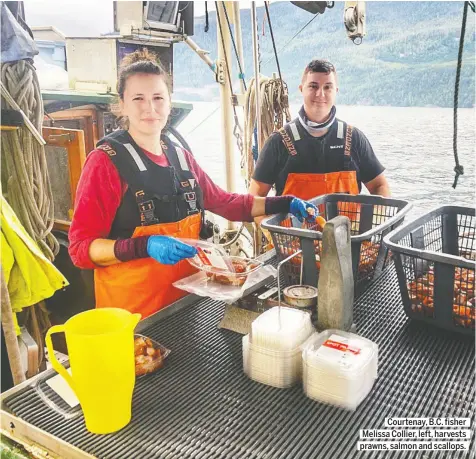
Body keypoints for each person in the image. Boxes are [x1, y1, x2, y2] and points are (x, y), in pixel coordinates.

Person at [69, 49, 317, 319]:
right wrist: (144, 245)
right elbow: (80, 249)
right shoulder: (105, 163)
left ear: (169, 102)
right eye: (138, 98)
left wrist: (285, 202)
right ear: (122, 104)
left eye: (158, 98)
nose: (150, 108)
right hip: (132, 320)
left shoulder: (181, 158)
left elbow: (227, 204)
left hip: (184, 308)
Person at [249, 59, 390, 201]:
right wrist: (264, 223)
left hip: (348, 224)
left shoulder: (354, 138)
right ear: (301, 89)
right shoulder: (278, 142)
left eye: (327, 87)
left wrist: (379, 218)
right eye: (313, 86)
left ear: (336, 91)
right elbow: (255, 198)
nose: (320, 94)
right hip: (291, 224)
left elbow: (379, 185)